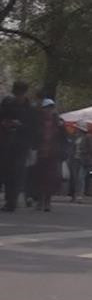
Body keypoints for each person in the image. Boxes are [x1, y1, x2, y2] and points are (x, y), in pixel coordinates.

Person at [0, 80, 37, 213]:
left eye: (20, 93)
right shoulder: (7, 103)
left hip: (21, 145)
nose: (18, 96)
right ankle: (9, 199)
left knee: (16, 173)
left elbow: (33, 127)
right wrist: (6, 123)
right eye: (17, 93)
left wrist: (20, 126)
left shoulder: (30, 108)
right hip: (5, 142)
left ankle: (11, 201)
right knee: (5, 171)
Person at [34, 99, 67, 213]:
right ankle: (40, 200)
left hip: (53, 154)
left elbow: (64, 138)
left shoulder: (59, 123)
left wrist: (63, 153)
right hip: (40, 153)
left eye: (51, 108)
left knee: (51, 178)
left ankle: (47, 201)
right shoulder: (38, 122)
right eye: (46, 108)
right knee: (39, 177)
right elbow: (33, 136)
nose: (49, 110)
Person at [71, 129, 92, 202]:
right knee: (75, 178)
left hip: (84, 160)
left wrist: (83, 151)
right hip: (75, 159)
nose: (77, 131)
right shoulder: (76, 137)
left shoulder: (88, 137)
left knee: (81, 177)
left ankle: (80, 195)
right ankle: (75, 195)